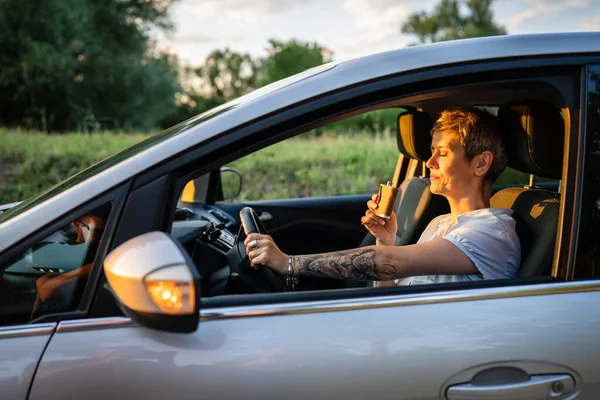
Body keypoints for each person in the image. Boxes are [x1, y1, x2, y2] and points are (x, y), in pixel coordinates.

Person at [243, 107, 521, 286]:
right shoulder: (441, 223)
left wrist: (289, 263)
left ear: (481, 163)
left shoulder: (490, 233)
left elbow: (389, 263)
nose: (430, 161)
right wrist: (385, 240)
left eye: (443, 153)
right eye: (432, 150)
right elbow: (393, 291)